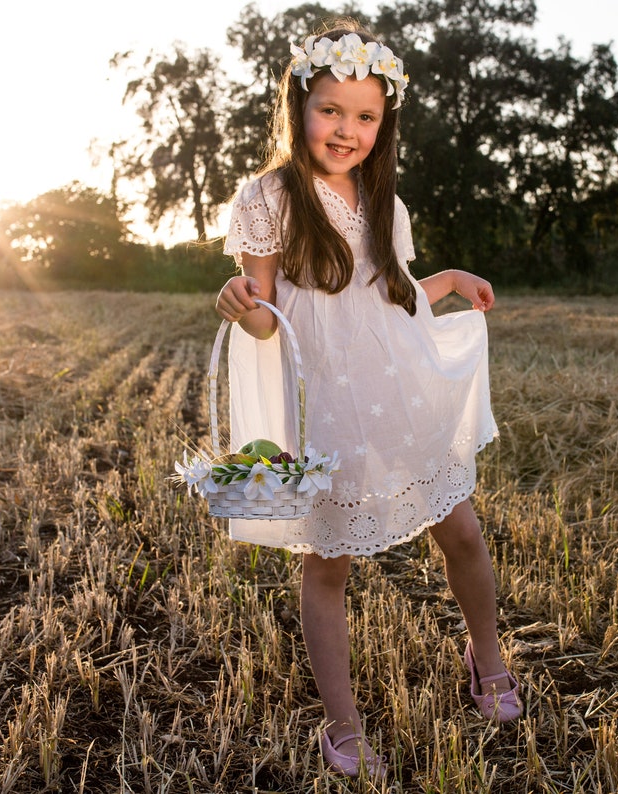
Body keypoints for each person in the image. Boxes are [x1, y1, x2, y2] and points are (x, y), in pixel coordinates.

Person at [215, 18, 521, 778]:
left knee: (462, 534)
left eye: (365, 116)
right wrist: (240, 303)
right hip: (329, 406)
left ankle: (486, 655)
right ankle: (343, 726)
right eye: (330, 110)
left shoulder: (385, 199)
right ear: (299, 105)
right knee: (326, 567)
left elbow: (392, 295)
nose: (346, 129)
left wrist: (445, 282)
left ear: (383, 124)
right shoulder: (268, 198)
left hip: (400, 389)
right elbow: (267, 319)